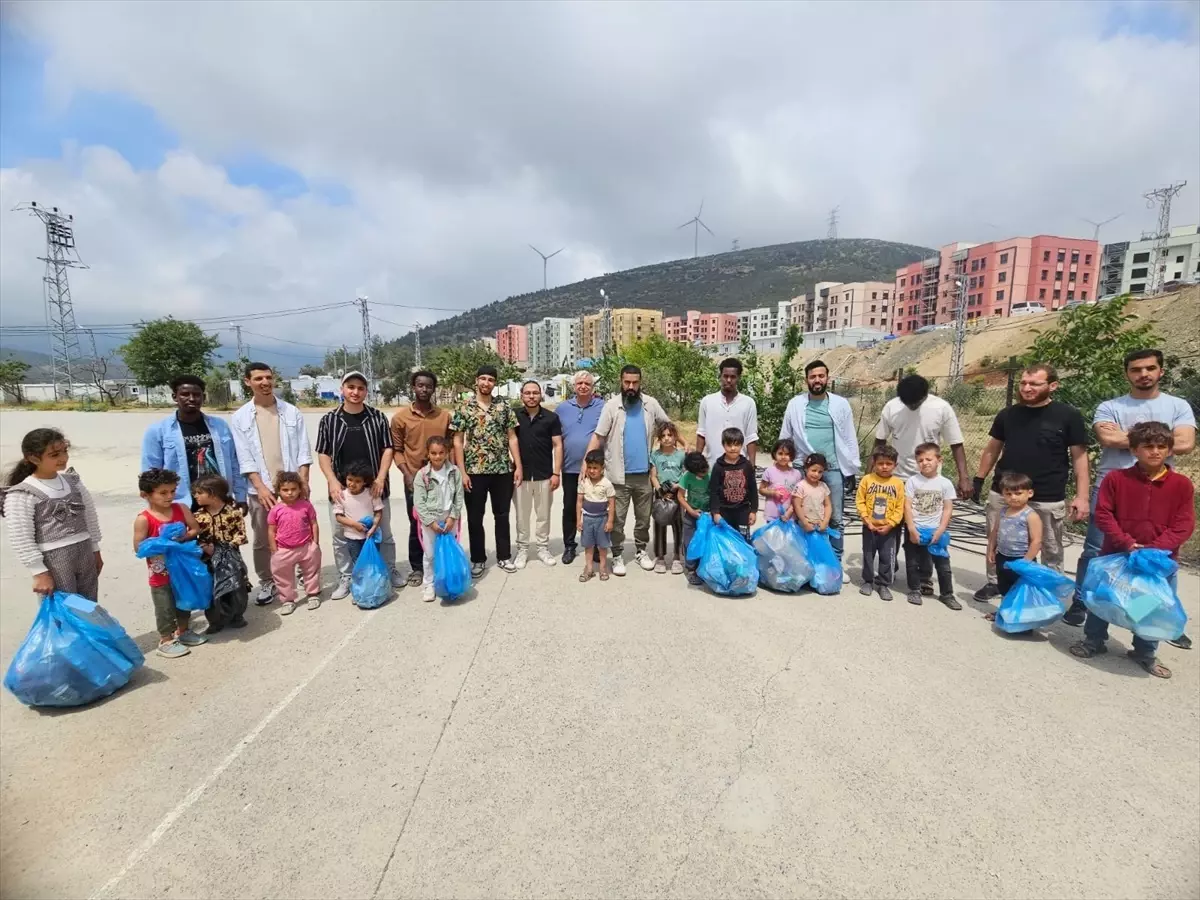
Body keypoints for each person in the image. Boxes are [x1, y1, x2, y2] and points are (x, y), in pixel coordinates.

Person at [1066, 349, 1196, 649]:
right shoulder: (1111, 406)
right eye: (1136, 369)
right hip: (1114, 486)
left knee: (1156, 566)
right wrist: (1161, 437)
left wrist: (1130, 437)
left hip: (1159, 491)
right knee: (1099, 554)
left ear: (1161, 371)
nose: (1144, 374)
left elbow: (1187, 443)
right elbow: (1107, 439)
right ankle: (1086, 607)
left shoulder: (1177, 406)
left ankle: (1151, 625)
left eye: (1150, 368)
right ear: (1127, 373)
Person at [1070, 422, 1195, 679]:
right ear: (1134, 450)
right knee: (1102, 598)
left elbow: (1184, 524)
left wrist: (1154, 549)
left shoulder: (1181, 485)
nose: (1155, 452)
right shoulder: (1117, 479)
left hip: (1159, 561)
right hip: (1116, 555)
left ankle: (1145, 651)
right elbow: (1103, 514)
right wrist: (1126, 542)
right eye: (1148, 446)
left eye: (1162, 446)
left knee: (1149, 606)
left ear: (1170, 450)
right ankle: (1093, 640)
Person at [971, 363, 1088, 601]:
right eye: (1024, 383)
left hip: (1047, 494)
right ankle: (996, 581)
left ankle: (1048, 589)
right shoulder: (1008, 415)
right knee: (998, 540)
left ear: (1052, 385)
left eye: (1034, 384)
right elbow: (992, 449)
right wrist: (978, 479)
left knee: (1050, 546)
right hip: (1004, 493)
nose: (1026, 388)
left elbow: (1080, 458)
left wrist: (1082, 496)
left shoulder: (1068, 416)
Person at [874, 374, 969, 596]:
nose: (912, 406)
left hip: (928, 482)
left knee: (925, 530)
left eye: (915, 402)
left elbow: (956, 443)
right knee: (890, 528)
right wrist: (872, 476)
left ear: (925, 396)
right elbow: (880, 441)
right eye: (907, 403)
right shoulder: (892, 407)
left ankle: (924, 577)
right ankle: (888, 568)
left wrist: (964, 477)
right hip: (896, 479)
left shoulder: (941, 408)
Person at [230, 361, 313, 606]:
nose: (265, 383)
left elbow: (303, 449)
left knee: (301, 530)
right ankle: (268, 581)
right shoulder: (240, 417)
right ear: (248, 382)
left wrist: (304, 481)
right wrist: (260, 486)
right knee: (264, 537)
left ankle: (300, 574)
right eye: (258, 379)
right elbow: (244, 456)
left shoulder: (290, 412)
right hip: (261, 488)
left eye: (268, 377)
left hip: (292, 485)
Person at [316, 371, 400, 600]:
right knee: (341, 535)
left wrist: (381, 477)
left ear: (366, 391)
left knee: (384, 532)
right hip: (343, 492)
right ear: (342, 389)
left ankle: (388, 569)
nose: (355, 392)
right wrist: (332, 481)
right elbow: (323, 454)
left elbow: (387, 449)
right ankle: (347, 576)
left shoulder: (377, 417)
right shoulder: (330, 420)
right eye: (350, 387)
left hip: (374, 489)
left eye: (361, 388)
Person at [1, 428, 103, 602]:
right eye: (55, 455)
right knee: (61, 611)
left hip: (84, 552)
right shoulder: (23, 493)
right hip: (55, 560)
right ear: (33, 458)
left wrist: (95, 550)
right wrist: (39, 572)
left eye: (65, 451)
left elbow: (90, 517)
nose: (63, 458)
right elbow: (21, 536)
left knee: (88, 608)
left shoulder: (73, 482)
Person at [586, 365, 670, 576]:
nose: (631, 386)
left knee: (643, 518)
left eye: (635, 382)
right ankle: (617, 555)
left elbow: (668, 425)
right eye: (627, 382)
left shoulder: (651, 404)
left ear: (640, 382)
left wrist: (684, 445)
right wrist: (584, 465)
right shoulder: (612, 406)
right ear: (621, 381)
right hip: (618, 476)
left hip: (644, 476)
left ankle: (641, 551)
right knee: (617, 519)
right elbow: (599, 436)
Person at [779, 360, 860, 571]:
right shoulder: (795, 404)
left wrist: (850, 469)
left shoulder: (840, 404)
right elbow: (786, 436)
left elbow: (849, 436)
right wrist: (783, 466)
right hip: (801, 467)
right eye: (813, 376)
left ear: (827, 378)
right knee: (797, 514)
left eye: (821, 376)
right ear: (806, 379)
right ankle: (801, 564)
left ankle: (834, 564)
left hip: (832, 467)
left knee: (834, 518)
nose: (817, 380)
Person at [451, 365, 522, 577]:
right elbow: (457, 440)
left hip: (502, 469)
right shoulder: (464, 407)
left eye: (490, 379)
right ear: (476, 381)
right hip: (474, 470)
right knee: (475, 517)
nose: (486, 383)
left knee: (502, 515)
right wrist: (462, 472)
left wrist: (517, 465)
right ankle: (478, 559)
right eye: (482, 378)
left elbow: (512, 437)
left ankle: (503, 556)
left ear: (495, 383)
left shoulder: (504, 406)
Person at [141, 374, 246, 509]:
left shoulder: (220, 426)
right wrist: (156, 507)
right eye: (185, 394)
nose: (191, 399)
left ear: (204, 397)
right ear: (175, 397)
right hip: (181, 504)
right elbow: (150, 471)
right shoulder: (158, 430)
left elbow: (234, 463)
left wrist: (241, 497)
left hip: (219, 501)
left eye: (197, 394)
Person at [134, 468, 206, 659]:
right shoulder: (144, 519)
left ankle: (183, 630)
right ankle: (166, 639)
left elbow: (195, 529)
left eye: (173, 491)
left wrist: (182, 538)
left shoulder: (180, 509)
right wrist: (160, 543)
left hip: (182, 567)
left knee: (184, 598)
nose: (170, 496)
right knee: (164, 603)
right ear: (146, 495)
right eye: (163, 493)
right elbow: (139, 548)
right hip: (160, 571)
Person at [390, 369, 452, 587]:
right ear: (413, 387)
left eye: (428, 386)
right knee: (417, 524)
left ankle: (443, 564)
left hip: (441, 481)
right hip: (416, 481)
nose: (424, 389)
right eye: (420, 385)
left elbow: (451, 448)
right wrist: (407, 474)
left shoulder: (444, 416)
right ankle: (417, 568)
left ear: (434, 389)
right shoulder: (400, 418)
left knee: (444, 524)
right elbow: (396, 450)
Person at [556, 371, 605, 565]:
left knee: (596, 509)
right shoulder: (562, 408)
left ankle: (593, 546)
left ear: (593, 387)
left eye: (587, 383)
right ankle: (569, 545)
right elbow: (556, 439)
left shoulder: (603, 407)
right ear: (573, 386)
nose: (583, 386)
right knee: (569, 508)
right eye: (579, 383)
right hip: (570, 468)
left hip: (596, 469)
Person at [513, 380, 563, 569]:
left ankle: (542, 548)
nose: (531, 396)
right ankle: (523, 549)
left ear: (541, 394)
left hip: (544, 474)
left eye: (535, 393)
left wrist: (556, 473)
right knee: (521, 516)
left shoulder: (551, 418)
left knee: (543, 515)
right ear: (522, 395)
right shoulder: (515, 416)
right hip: (521, 475)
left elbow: (558, 445)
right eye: (528, 393)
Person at [903, 443, 958, 609]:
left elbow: (948, 509)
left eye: (929, 459)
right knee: (912, 561)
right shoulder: (912, 481)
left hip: (936, 529)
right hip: (915, 528)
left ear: (939, 460)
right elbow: (907, 506)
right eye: (920, 460)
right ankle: (914, 589)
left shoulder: (945, 483)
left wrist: (941, 530)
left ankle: (947, 594)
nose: (925, 463)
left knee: (943, 564)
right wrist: (911, 528)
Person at [191, 474, 249, 633]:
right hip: (208, 559)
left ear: (213, 493)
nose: (195, 496)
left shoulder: (233, 512)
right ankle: (216, 621)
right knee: (212, 587)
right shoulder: (198, 516)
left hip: (231, 557)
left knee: (236, 586)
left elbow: (242, 535)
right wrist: (204, 547)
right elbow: (195, 536)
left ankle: (237, 615)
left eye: (199, 492)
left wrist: (225, 547)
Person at [413, 435, 465, 602]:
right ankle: (429, 583)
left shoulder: (454, 472)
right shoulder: (422, 475)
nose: (437, 456)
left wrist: (453, 517)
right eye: (433, 453)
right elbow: (419, 503)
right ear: (428, 454)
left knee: (449, 551)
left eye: (441, 452)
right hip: (431, 520)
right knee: (430, 554)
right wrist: (430, 522)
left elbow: (458, 496)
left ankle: (449, 579)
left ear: (447, 453)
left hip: (449, 518)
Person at [267, 471, 322, 615]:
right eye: (285, 490)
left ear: (299, 489)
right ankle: (288, 600)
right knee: (282, 575)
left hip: (306, 546)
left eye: (293, 489)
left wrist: (315, 543)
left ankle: (312, 594)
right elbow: (271, 530)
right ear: (278, 491)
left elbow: (313, 523)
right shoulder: (275, 510)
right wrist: (274, 549)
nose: (290, 493)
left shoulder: (306, 506)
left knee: (311, 571)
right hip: (283, 549)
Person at [854, 444, 905, 601]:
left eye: (888, 464)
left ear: (895, 465)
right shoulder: (867, 480)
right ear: (874, 463)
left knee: (887, 557)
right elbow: (860, 501)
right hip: (869, 527)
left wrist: (891, 524)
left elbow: (900, 507)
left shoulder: (898, 484)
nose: (884, 467)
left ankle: (883, 584)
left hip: (889, 529)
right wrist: (866, 519)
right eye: (880, 463)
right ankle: (867, 581)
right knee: (868, 554)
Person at [985, 472, 1044, 599]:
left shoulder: (1031, 516)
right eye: (1008, 494)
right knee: (1004, 588)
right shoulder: (1002, 512)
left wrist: (1025, 562)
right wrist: (991, 550)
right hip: (1002, 557)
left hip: (1021, 558)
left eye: (1018, 493)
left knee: (1020, 591)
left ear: (1030, 493)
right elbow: (995, 532)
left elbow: (1036, 541)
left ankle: (1017, 616)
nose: (1013, 497)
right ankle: (1003, 613)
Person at [696, 358, 759, 468]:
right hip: (712, 465)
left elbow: (751, 437)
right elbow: (702, 433)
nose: (729, 380)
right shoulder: (707, 401)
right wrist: (696, 461)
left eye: (733, 377)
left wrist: (751, 467)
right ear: (720, 376)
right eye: (725, 376)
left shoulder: (748, 403)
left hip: (739, 467)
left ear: (739, 378)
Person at [650, 421, 686, 574]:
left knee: (678, 526)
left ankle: (677, 557)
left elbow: (685, 473)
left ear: (675, 437)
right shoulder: (655, 455)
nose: (666, 438)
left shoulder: (681, 455)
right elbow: (653, 476)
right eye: (663, 436)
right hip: (661, 495)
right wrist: (660, 490)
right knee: (660, 525)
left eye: (669, 435)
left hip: (677, 494)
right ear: (659, 438)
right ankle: (660, 557)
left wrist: (677, 486)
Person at [332, 459, 384, 565]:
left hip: (370, 537)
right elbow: (339, 517)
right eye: (350, 479)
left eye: (357, 481)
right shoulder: (341, 495)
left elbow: (378, 512)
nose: (352, 484)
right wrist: (354, 525)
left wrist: (373, 528)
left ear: (364, 482)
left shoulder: (371, 494)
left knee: (372, 562)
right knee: (358, 563)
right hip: (352, 538)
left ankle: (372, 581)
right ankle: (361, 581)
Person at [710, 427, 758, 538]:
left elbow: (753, 489)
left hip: (743, 511)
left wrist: (753, 511)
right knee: (725, 540)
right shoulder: (718, 467)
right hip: (724, 512)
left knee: (742, 539)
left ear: (742, 445)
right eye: (729, 445)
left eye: (736, 445)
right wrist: (715, 512)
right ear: (723, 445)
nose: (733, 448)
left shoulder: (746, 465)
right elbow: (713, 491)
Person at [576, 449, 616, 583]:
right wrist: (578, 520)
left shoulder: (607, 484)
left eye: (595, 468)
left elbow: (611, 503)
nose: (592, 471)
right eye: (590, 467)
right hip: (587, 519)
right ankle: (588, 569)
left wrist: (610, 521)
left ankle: (603, 568)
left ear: (602, 468)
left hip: (602, 519)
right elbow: (579, 502)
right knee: (588, 545)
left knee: (602, 546)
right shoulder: (584, 483)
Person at [676, 451, 711, 586]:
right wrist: (690, 510)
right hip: (691, 515)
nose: (703, 474)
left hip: (707, 516)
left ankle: (703, 568)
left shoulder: (711, 473)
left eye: (704, 471)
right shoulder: (687, 477)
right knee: (690, 542)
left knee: (705, 541)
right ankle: (691, 570)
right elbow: (680, 496)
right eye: (700, 473)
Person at [791, 453, 833, 534]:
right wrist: (805, 522)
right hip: (804, 526)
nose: (816, 474)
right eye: (813, 470)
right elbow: (797, 506)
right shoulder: (800, 486)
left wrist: (825, 521)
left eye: (820, 472)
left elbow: (828, 505)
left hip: (820, 525)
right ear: (806, 469)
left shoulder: (823, 486)